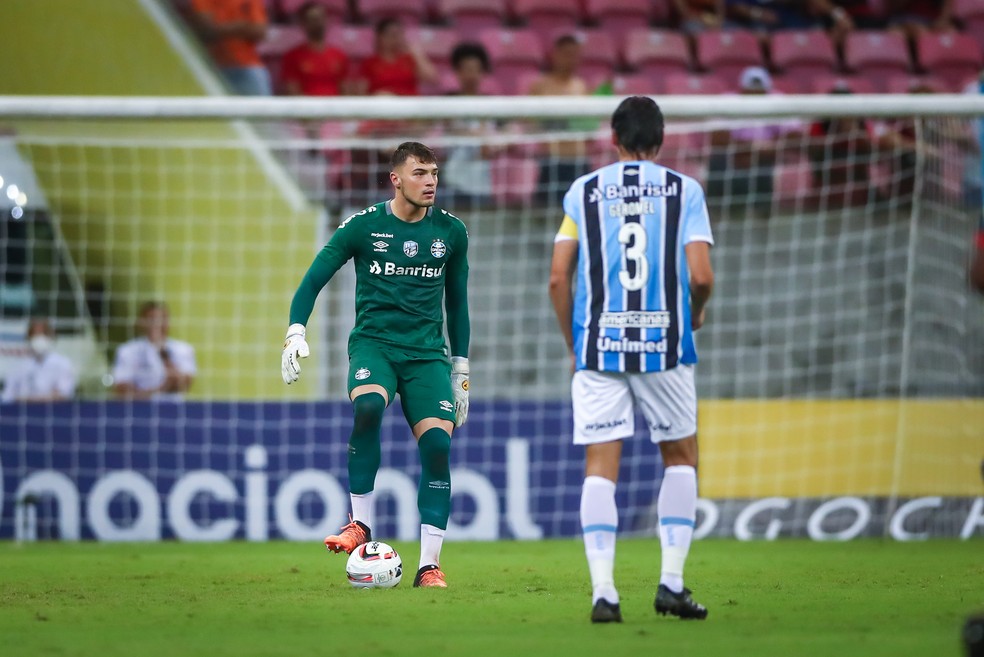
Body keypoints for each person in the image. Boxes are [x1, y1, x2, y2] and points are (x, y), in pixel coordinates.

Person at [548, 96, 714, 623]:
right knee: (681, 457)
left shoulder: (584, 192)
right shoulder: (685, 191)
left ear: (612, 139)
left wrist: (574, 343)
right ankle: (671, 584)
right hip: (665, 344)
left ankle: (604, 593)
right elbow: (702, 275)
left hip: (599, 345)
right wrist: (698, 312)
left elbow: (557, 276)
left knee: (600, 467)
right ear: (660, 141)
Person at [281, 142, 470, 589]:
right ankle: (361, 523)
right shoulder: (364, 226)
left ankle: (429, 566)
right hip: (374, 347)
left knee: (438, 448)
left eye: (435, 173)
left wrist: (460, 370)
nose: (430, 182)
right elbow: (313, 279)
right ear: (396, 179)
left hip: (426, 356)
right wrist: (295, 331)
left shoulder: (452, 233)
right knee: (367, 407)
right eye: (420, 173)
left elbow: (458, 304)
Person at [706, 66, 801, 218]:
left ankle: (763, 214)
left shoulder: (778, 101)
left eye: (760, 90)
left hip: (767, 156)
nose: (756, 94)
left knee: (764, 166)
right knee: (719, 161)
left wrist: (767, 149)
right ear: (742, 89)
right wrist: (752, 148)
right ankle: (719, 214)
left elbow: (795, 135)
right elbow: (717, 138)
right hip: (735, 156)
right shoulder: (727, 101)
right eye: (751, 90)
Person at [529, 34, 592, 206]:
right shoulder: (541, 86)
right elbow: (531, 124)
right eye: (566, 54)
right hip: (552, 160)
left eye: (575, 55)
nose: (571, 60)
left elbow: (588, 126)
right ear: (555, 55)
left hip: (578, 160)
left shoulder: (581, 87)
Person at [113, 302, 197, 400]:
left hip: (172, 409)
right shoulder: (127, 351)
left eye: (162, 319)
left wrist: (163, 352)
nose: (157, 323)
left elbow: (183, 385)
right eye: (152, 319)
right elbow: (122, 389)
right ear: (141, 322)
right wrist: (159, 391)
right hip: (138, 410)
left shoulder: (183, 349)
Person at [190, 0, 271, 96]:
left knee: (260, 109)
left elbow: (260, 31)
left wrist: (224, 29)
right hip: (215, 68)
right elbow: (207, 31)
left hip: (248, 67)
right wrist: (240, 27)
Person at [280, 1, 350, 97]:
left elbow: (345, 92)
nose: (318, 23)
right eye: (313, 19)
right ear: (303, 23)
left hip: (334, 108)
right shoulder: (292, 56)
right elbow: (292, 92)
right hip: (306, 109)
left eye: (321, 18)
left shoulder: (340, 56)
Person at [356, 18, 439, 96]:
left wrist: (417, 53)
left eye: (400, 34)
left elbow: (432, 78)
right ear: (380, 37)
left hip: (409, 103)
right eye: (392, 35)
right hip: (383, 104)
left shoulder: (409, 59)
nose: (397, 38)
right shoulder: (369, 63)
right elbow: (362, 92)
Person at [1, 318, 76, 403]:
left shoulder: (63, 363)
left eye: (43, 334)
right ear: (29, 337)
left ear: (51, 337)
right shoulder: (17, 365)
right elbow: (8, 395)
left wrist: (29, 399)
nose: (39, 338)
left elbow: (64, 394)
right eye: (35, 334)